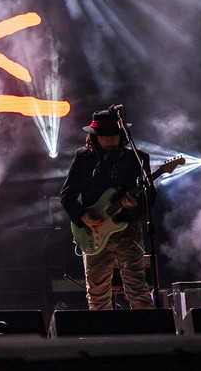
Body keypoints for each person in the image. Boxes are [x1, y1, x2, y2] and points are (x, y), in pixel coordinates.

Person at [61, 108, 153, 310]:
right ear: (95, 137)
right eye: (105, 136)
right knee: (97, 293)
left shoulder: (136, 158)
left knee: (137, 289)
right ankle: (103, 330)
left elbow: (150, 196)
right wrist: (82, 216)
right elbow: (67, 195)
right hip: (94, 231)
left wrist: (134, 205)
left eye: (115, 135)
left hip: (128, 231)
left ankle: (148, 328)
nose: (111, 140)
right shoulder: (84, 158)